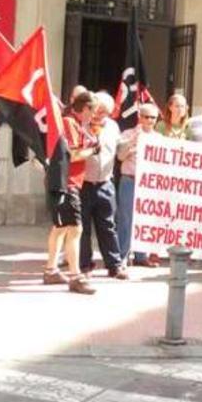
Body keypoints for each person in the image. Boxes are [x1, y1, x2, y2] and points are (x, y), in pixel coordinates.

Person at [43, 91, 99, 295]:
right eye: (93, 111)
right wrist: (93, 150)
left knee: (60, 228)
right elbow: (72, 155)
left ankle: (51, 270)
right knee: (75, 229)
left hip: (67, 183)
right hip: (67, 183)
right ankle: (75, 277)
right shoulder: (69, 123)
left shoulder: (73, 123)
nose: (93, 116)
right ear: (85, 108)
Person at [79, 92, 127, 280]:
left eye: (105, 112)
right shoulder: (80, 125)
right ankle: (84, 265)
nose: (100, 115)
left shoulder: (113, 127)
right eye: (97, 110)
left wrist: (132, 143)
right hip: (83, 183)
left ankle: (114, 265)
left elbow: (120, 152)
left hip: (105, 183)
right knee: (83, 228)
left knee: (108, 225)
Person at [116, 103, 161, 268]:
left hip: (149, 184)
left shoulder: (158, 138)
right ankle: (122, 255)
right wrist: (130, 145)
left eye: (153, 118)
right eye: (146, 116)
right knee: (125, 219)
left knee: (144, 220)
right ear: (139, 117)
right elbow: (120, 157)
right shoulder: (127, 134)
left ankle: (141, 255)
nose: (149, 120)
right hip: (129, 179)